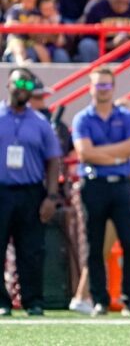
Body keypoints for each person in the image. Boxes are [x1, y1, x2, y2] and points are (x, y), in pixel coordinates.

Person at [72, 66, 130, 317]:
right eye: (98, 85)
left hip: (122, 186)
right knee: (94, 246)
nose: (102, 89)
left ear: (113, 87)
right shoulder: (82, 118)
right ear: (90, 88)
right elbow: (83, 153)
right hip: (94, 186)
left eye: (106, 85)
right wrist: (116, 155)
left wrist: (101, 155)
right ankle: (100, 300)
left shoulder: (125, 116)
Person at [0, 67, 61, 316]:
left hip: (31, 193)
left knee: (32, 250)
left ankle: (33, 301)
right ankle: (2, 302)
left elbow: (54, 160)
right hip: (1, 191)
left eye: (28, 86)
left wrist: (51, 196)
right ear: (8, 85)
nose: (23, 90)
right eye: (19, 84)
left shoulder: (40, 122)